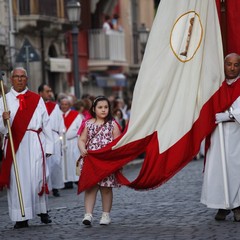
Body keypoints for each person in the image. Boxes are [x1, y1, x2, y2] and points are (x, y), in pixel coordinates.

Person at [0, 67, 54, 229]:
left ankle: (41, 210)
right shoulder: (4, 99)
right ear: (11, 79)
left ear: (27, 79)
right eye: (16, 77)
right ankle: (21, 216)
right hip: (14, 144)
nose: (19, 79)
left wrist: (49, 146)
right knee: (18, 181)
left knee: (37, 177)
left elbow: (46, 123)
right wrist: (4, 121)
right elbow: (2, 130)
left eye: (22, 76)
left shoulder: (36, 99)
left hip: (34, 142)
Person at [201, 53, 240, 221]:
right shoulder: (216, 86)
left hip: (237, 134)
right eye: (228, 64)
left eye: (236, 65)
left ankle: (238, 205)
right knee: (218, 169)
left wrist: (230, 116)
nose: (232, 68)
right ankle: (221, 205)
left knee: (236, 170)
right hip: (218, 134)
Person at [78, 96, 121, 226]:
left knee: (106, 188)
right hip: (91, 161)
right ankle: (88, 214)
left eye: (106, 107)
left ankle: (105, 214)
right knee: (90, 187)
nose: (103, 110)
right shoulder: (88, 124)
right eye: (100, 107)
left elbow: (118, 142)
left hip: (106, 161)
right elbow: (82, 140)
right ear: (94, 109)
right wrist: (82, 149)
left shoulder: (112, 124)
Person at [38, 83, 65, 197]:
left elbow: (60, 122)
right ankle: (44, 186)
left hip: (54, 136)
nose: (50, 93)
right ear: (40, 93)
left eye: (50, 91)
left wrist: (61, 135)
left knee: (55, 163)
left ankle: (55, 187)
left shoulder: (55, 106)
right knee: (43, 163)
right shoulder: (36, 105)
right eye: (47, 91)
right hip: (41, 136)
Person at [60, 97, 83, 189]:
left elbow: (81, 127)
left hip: (73, 142)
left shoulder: (76, 115)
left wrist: (76, 134)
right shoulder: (58, 115)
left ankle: (76, 179)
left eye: (66, 104)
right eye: (62, 104)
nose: (64, 106)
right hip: (62, 143)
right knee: (63, 162)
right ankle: (66, 181)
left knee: (73, 160)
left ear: (69, 106)